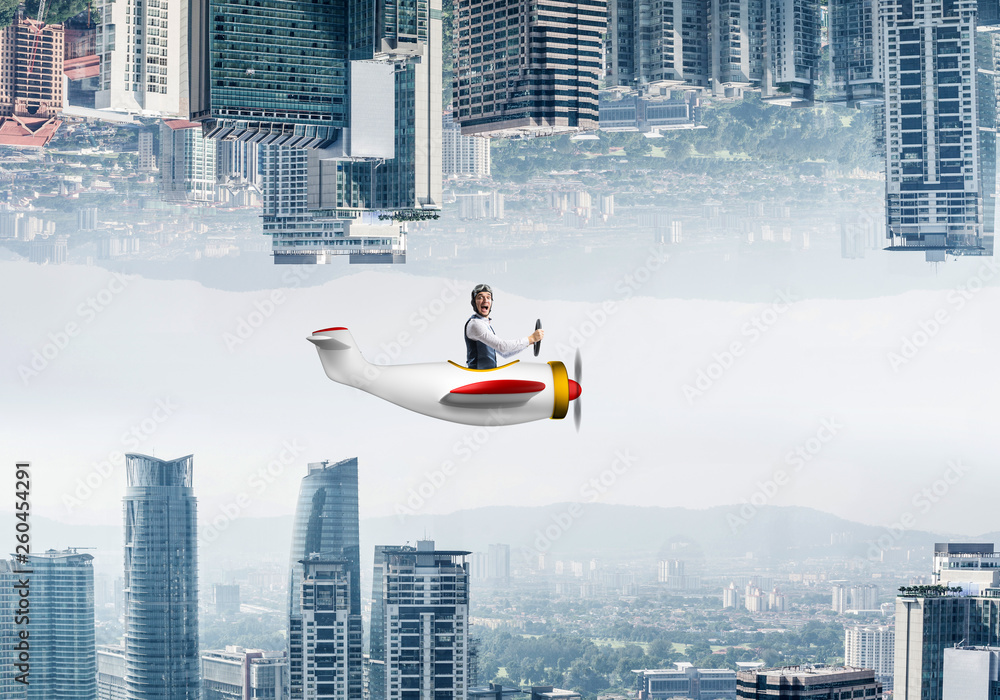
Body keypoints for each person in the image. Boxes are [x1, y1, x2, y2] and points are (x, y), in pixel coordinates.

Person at [465, 284, 544, 369]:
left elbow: (504, 353)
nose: (485, 300)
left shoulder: (485, 325)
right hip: (477, 377)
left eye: (488, 297)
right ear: (474, 302)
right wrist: (530, 338)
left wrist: (528, 343)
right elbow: (502, 347)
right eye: (480, 297)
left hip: (486, 376)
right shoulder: (475, 324)